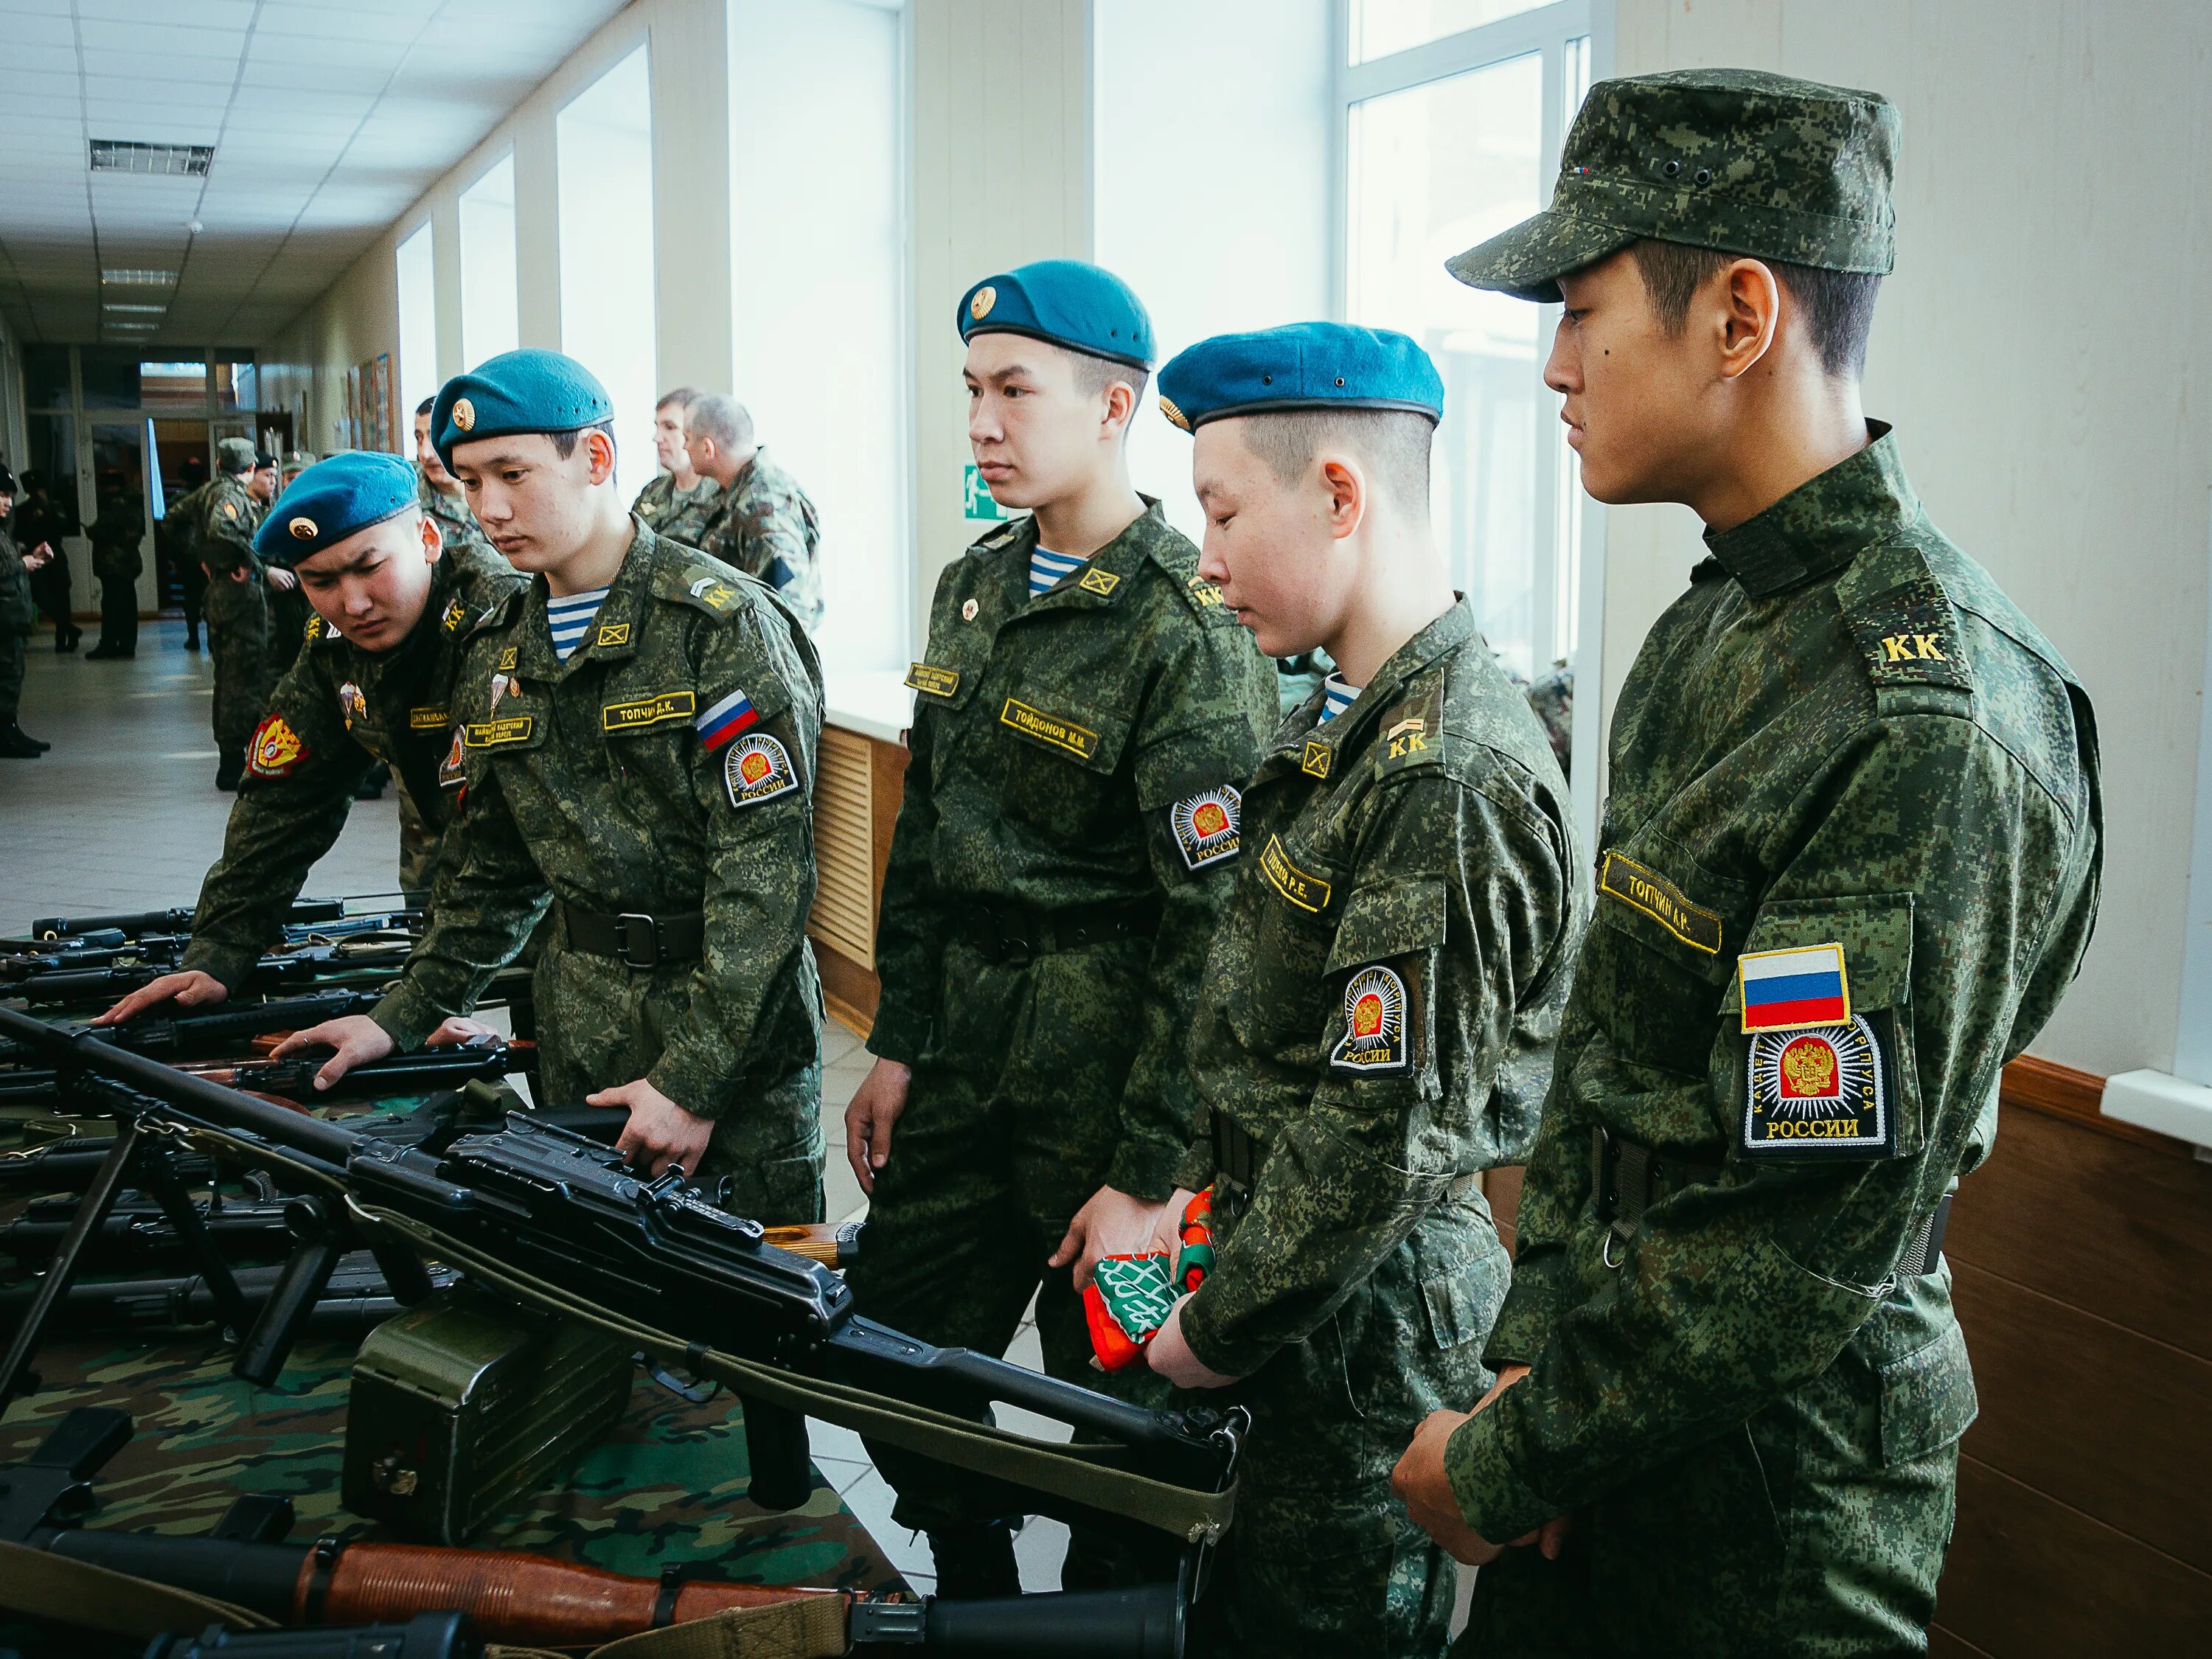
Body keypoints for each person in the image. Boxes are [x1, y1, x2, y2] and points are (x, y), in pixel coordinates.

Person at [1386, 69, 2104, 1659]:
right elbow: (1619, 1075)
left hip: (1773, 1500)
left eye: (1582, 312)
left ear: (1740, 315)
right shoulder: (1717, 631)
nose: (1556, 367)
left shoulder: (1926, 716)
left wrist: (1511, 1456)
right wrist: (1539, 1377)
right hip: (1607, 1410)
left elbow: (1796, 1226)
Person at [1099, 324, 1582, 1656]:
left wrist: (1211, 1330)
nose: (1203, 556)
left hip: (1362, 1327)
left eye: (1222, 511)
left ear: (1341, 493)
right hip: (1293, 1278)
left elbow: (1379, 1139)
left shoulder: (1443, 772)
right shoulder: (1349, 720)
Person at [841, 260, 1279, 1595]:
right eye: (971, 390)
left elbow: (1212, 927)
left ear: (1114, 405)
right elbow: (923, 847)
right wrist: (898, 1039)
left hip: (1108, 1087)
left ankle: (1104, 1625)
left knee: (1125, 1401)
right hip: (964, 1061)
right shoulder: (970, 588)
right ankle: (974, 1577)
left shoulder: (1187, 623)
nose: (979, 422)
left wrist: (1152, 1172)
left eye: (1013, 390)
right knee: (881, 1346)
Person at [272, 349, 828, 1222]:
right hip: (580, 1020)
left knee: (749, 1303)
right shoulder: (498, 640)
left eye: (512, 474)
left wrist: (692, 1080)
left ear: (596, 460)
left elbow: (767, 882)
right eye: (466, 481)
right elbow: (494, 867)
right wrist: (402, 1014)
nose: (488, 509)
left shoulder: (720, 624)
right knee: (595, 1289)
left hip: (727, 1038)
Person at [97, 451, 528, 1029]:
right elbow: (280, 808)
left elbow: (506, 846)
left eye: (370, 566)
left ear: (427, 539)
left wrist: (411, 1010)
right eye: (319, 581)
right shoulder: (334, 649)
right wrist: (218, 955)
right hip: (483, 902)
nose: (352, 604)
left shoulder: (500, 616)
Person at [685, 394, 822, 633]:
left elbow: (790, 616)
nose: (684, 447)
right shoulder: (735, 490)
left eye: (687, 439)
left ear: (708, 449)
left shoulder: (766, 506)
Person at [197, 436, 274, 790]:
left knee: (230, 678)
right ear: (250, 468)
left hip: (224, 597)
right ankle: (233, 762)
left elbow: (177, 523)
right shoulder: (231, 496)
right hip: (237, 601)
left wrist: (210, 560)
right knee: (241, 680)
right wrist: (246, 560)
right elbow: (221, 529)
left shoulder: (208, 491)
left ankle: (233, 758)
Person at [0, 467, 55, 757]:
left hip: (11, 619)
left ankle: (10, 730)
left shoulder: (3, 532)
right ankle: (4, 736)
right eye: (1, 495)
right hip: (3, 621)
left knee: (11, 678)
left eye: (9, 495)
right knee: (5, 680)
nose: (7, 502)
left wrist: (33, 556)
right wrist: (24, 564)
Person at [630, 387, 721, 547]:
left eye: (670, 427)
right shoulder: (652, 492)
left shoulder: (721, 499)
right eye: (657, 427)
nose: (657, 438)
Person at [18, 467, 80, 653]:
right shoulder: (22, 510)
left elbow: (64, 524)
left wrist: (46, 511)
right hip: (35, 554)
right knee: (41, 595)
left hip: (55, 553)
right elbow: (18, 532)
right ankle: (70, 629)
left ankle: (64, 639)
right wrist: (33, 521)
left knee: (62, 595)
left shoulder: (55, 506)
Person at [256, 451, 310, 666]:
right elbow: (257, 556)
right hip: (282, 603)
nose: (293, 483)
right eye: (289, 478)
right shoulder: (270, 517)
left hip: (315, 599)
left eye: (300, 477)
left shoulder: (325, 513)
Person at [83, 486, 144, 660]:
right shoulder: (134, 506)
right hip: (129, 563)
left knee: (111, 605)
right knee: (128, 605)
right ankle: (127, 644)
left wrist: (91, 531)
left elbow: (99, 530)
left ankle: (108, 644)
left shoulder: (113, 507)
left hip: (112, 563)